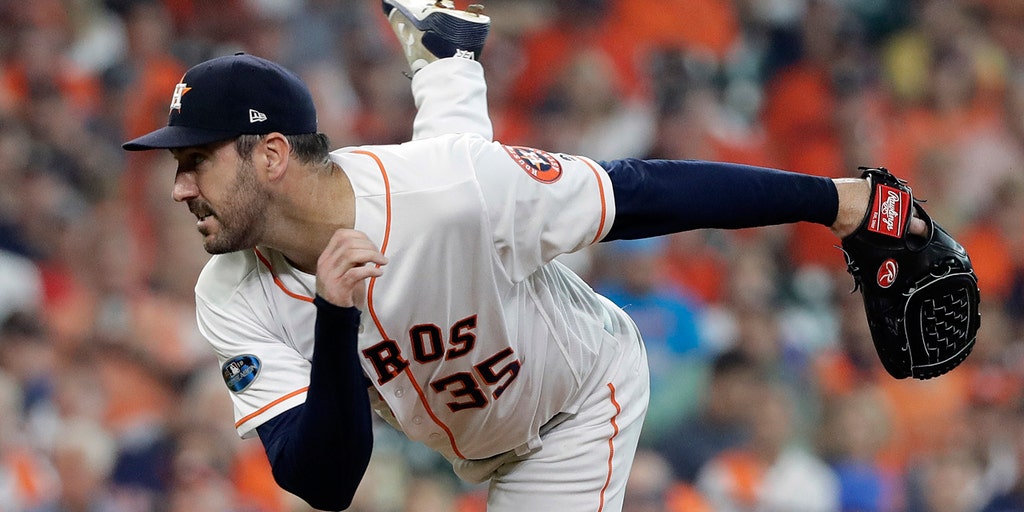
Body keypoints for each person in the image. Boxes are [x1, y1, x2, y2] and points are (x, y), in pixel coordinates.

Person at [121, 1, 926, 510]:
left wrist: (839, 202)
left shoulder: (452, 191)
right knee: (462, 192)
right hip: (469, 425)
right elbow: (323, 484)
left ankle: (448, 62)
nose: (179, 187)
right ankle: (448, 61)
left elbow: (640, 194)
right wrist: (336, 318)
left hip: (574, 401)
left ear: (268, 156)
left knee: (466, 193)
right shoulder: (228, 293)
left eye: (195, 160)